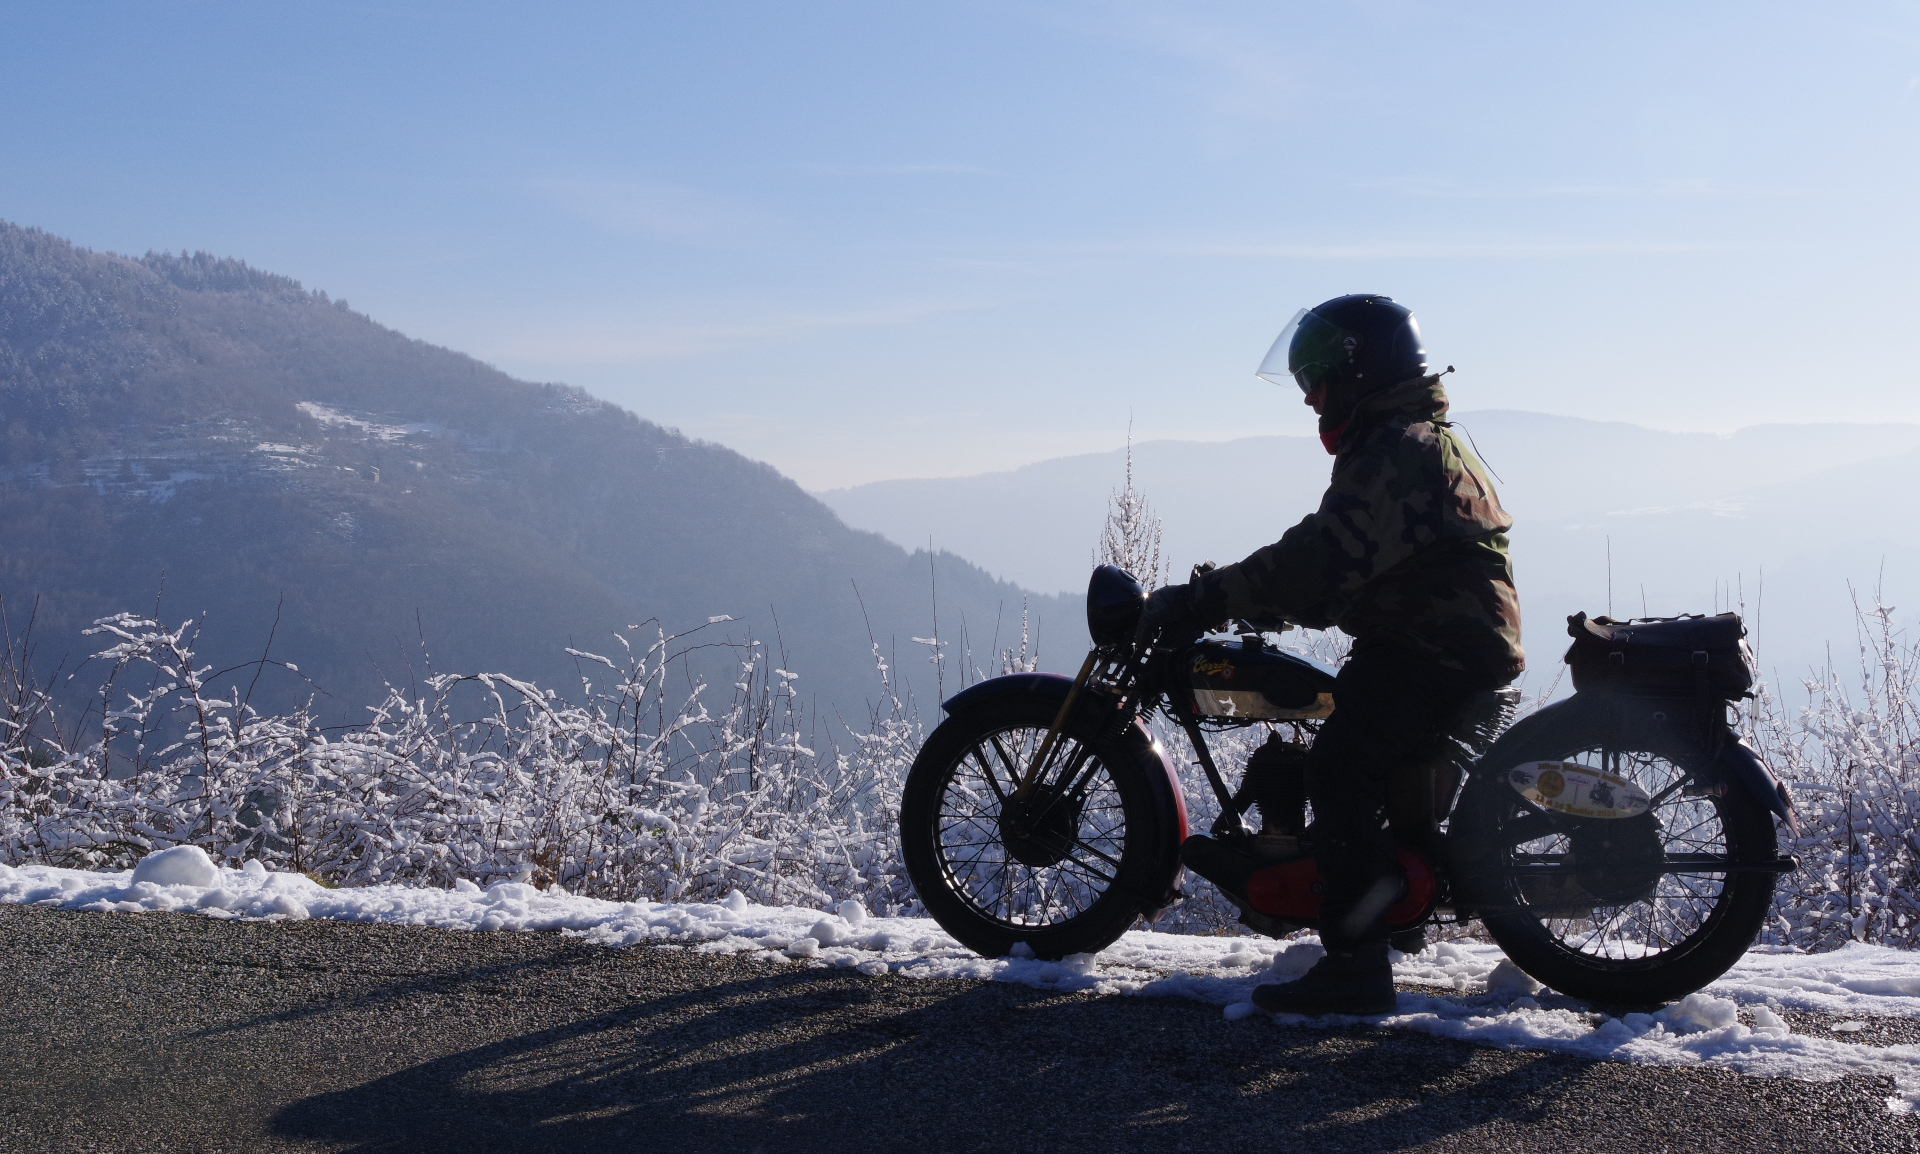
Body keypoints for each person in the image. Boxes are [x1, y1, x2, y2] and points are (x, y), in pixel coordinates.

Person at [1136, 294, 1523, 1016]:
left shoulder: (1393, 451)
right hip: (1448, 643)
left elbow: (1315, 561)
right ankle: (1382, 905)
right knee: (1359, 749)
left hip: (1434, 650)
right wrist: (1265, 598)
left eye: (1318, 379)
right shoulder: (1411, 436)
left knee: (1338, 766)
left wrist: (1202, 600)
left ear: (1359, 369)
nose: (1311, 398)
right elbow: (1336, 568)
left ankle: (1356, 969)